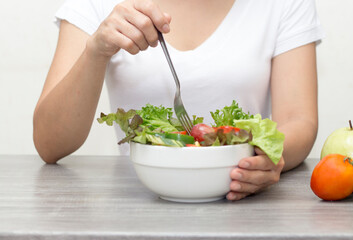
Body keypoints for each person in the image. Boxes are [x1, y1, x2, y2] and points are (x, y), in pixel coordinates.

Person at [33, 0, 324, 201]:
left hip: (243, 201)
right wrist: (95, 51)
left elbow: (300, 119)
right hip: (138, 203)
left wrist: (264, 157)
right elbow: (50, 144)